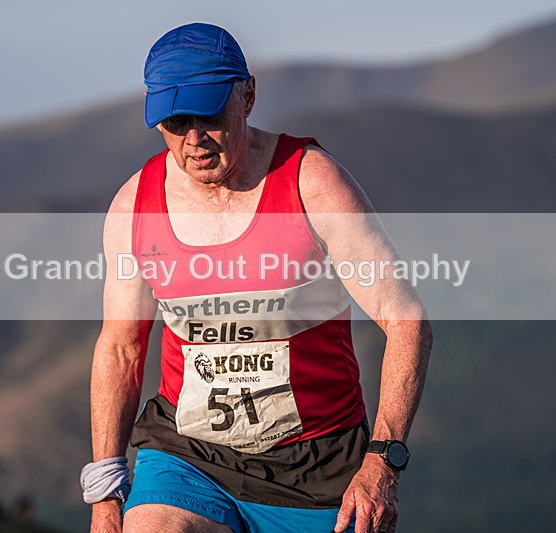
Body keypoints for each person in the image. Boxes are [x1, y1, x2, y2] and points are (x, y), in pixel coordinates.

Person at [82, 23, 432, 533]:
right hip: (187, 456)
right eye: (175, 121)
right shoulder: (135, 206)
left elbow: (406, 322)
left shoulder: (312, 183)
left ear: (247, 95)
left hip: (319, 468)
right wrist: (106, 493)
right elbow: (121, 347)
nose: (194, 140)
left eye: (210, 115)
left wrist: (382, 463)